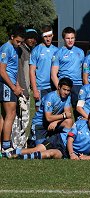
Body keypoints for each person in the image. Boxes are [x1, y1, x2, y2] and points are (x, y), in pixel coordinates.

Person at [10, 109, 90, 160]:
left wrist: (87, 157)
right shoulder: (80, 123)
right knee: (37, 149)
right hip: (60, 140)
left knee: (50, 153)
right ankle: (12, 153)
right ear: (88, 120)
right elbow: (70, 139)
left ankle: (22, 158)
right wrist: (72, 154)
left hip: (65, 152)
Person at [0, 25, 26, 153]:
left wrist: (17, 85)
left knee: (5, 116)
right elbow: (2, 71)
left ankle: (2, 145)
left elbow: (12, 70)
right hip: (5, 85)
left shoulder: (15, 48)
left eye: (21, 42)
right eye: (18, 41)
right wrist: (12, 87)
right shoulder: (6, 48)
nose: (19, 44)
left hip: (10, 85)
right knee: (11, 114)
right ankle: (6, 146)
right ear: (11, 37)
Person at [26, 77, 73, 148]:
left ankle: (64, 144)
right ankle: (31, 142)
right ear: (59, 87)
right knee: (39, 148)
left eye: (68, 90)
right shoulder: (50, 97)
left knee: (69, 121)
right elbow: (48, 118)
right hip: (40, 124)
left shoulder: (68, 97)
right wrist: (63, 116)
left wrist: (56, 121)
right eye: (64, 89)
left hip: (53, 123)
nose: (66, 92)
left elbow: (68, 115)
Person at [11, 28, 39, 148]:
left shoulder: (29, 51)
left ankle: (19, 144)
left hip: (24, 90)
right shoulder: (21, 51)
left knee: (22, 119)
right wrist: (23, 90)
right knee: (21, 119)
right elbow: (20, 72)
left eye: (34, 38)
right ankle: (17, 145)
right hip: (21, 91)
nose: (32, 40)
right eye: (29, 38)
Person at [51, 27, 84, 119]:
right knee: (63, 112)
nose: (70, 40)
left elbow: (84, 71)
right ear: (64, 39)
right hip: (64, 86)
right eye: (68, 38)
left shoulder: (80, 52)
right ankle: (62, 132)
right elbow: (53, 74)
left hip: (77, 85)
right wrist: (60, 88)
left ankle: (79, 131)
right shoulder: (58, 53)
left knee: (79, 111)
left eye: (72, 38)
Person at [30, 25, 58, 111]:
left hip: (53, 87)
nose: (48, 39)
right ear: (42, 36)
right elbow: (32, 71)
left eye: (49, 36)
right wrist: (35, 90)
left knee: (53, 111)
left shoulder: (57, 50)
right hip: (41, 87)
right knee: (39, 112)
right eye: (45, 36)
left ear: (53, 35)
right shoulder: (36, 50)